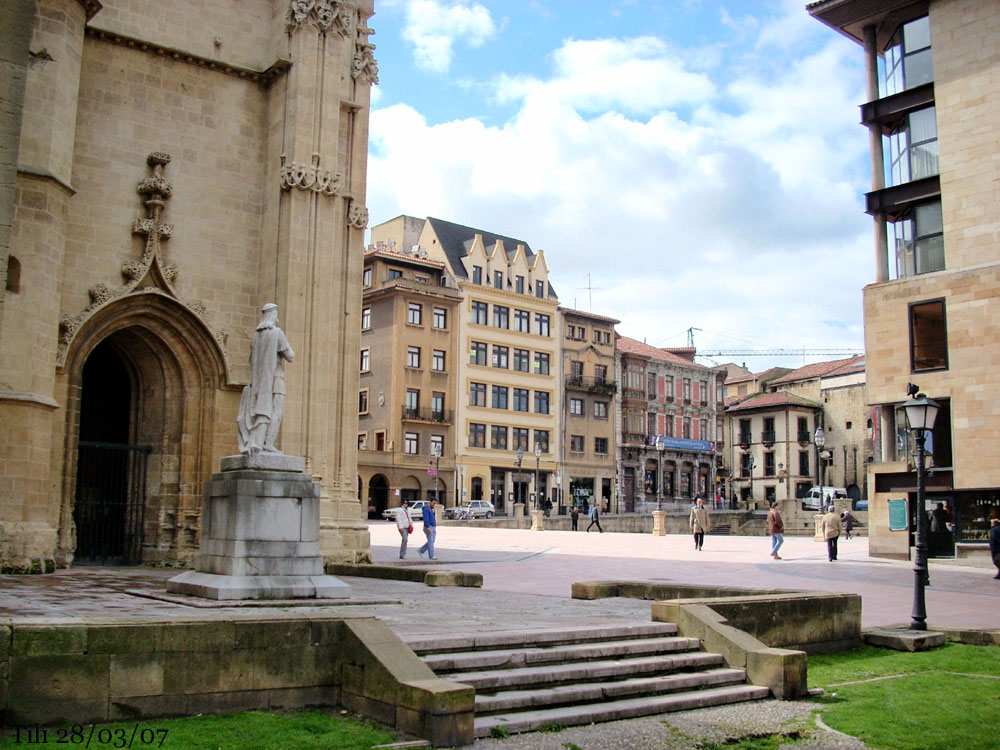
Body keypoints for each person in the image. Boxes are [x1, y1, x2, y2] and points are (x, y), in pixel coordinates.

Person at [237, 303, 294, 455]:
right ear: (274, 315)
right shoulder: (277, 333)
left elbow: (251, 359)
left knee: (261, 410)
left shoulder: (256, 337)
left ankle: (258, 442)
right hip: (276, 379)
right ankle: (268, 443)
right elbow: (290, 356)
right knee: (275, 411)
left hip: (259, 380)